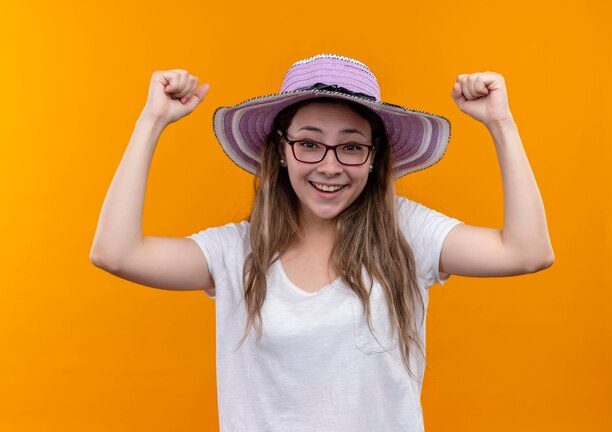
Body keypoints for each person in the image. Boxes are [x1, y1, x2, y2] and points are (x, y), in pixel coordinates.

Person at [90, 53, 554, 431]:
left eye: (351, 146)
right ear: (280, 151)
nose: (329, 166)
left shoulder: (406, 233)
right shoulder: (238, 252)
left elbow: (527, 253)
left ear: (374, 158)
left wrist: (501, 125)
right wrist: (152, 121)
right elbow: (116, 253)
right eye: (309, 144)